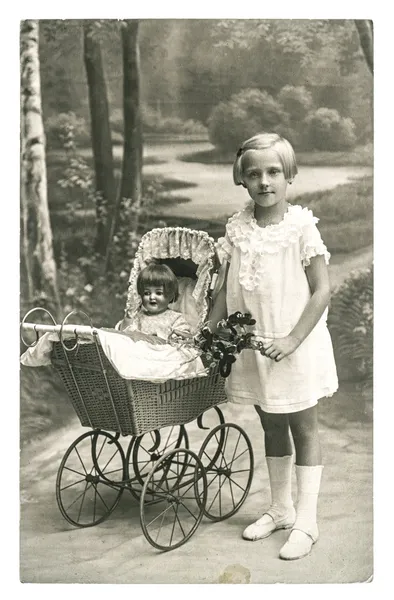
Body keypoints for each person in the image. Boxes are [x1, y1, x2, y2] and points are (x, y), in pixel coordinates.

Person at [210, 132, 338, 561]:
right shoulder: (237, 227)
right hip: (254, 346)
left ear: (289, 176)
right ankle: (281, 508)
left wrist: (293, 339)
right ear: (241, 180)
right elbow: (224, 289)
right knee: (270, 425)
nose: (264, 181)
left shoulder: (301, 228)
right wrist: (210, 330)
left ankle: (307, 519)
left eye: (273, 172)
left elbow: (321, 291)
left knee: (303, 427)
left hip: (294, 345)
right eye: (254, 174)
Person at [118, 262, 192, 342]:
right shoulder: (139, 316)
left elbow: (182, 335)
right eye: (147, 293)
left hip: (162, 351)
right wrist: (129, 317)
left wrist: (174, 338)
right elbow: (124, 334)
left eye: (159, 293)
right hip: (139, 350)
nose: (152, 297)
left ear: (170, 296)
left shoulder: (176, 318)